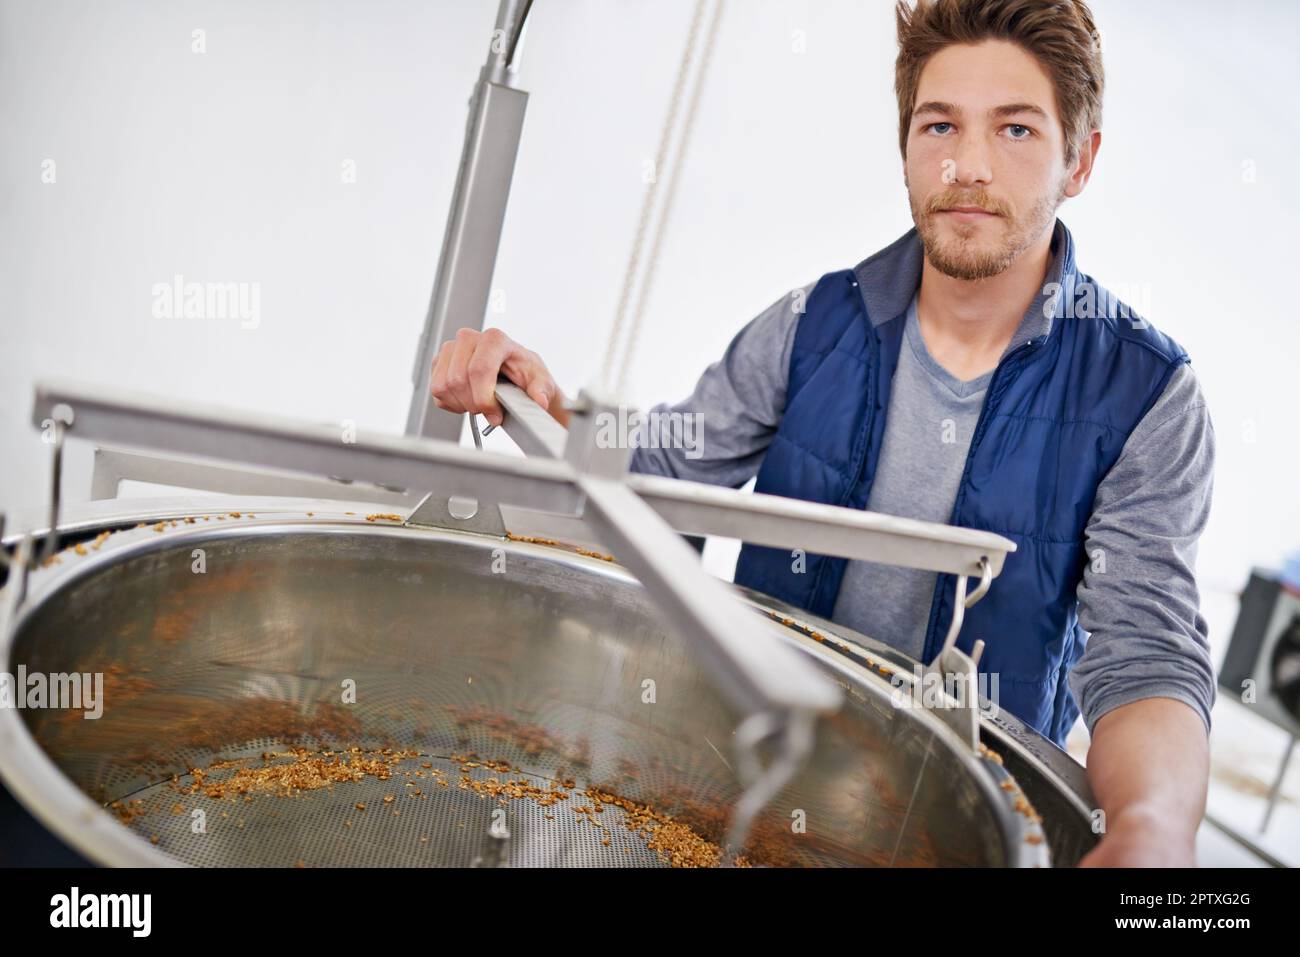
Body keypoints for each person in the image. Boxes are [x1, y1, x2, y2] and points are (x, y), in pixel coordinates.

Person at [429, 0, 1215, 867]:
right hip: (749, 783)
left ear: (1082, 158)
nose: (968, 164)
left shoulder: (1147, 395)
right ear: (906, 143)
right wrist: (538, 400)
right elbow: (652, 477)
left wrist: (1150, 827)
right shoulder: (813, 323)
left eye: (1018, 130)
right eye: (939, 123)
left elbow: (1146, 653)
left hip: (949, 828)